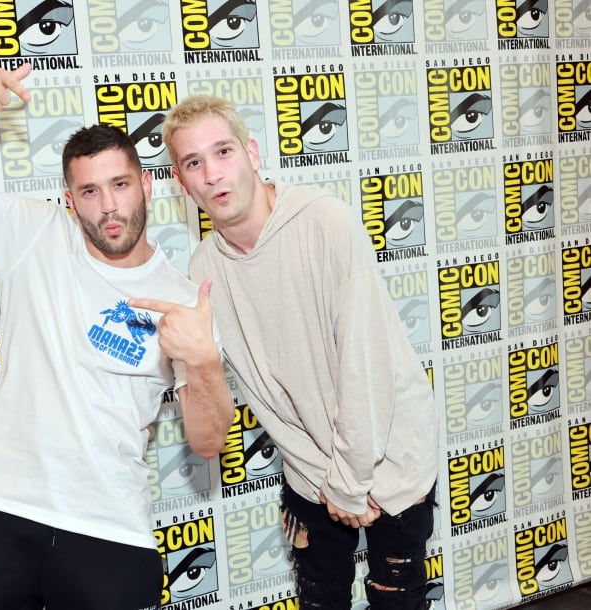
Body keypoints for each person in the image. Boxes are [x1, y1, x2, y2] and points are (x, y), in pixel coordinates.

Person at [0, 66, 234, 610]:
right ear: (70, 199)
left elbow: (208, 441)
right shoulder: (32, 231)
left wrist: (205, 365)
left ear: (145, 185)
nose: (109, 207)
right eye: (90, 191)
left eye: (120, 185)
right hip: (1, 509)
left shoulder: (184, 299)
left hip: (110, 529)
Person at [155, 95, 438, 610]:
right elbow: (269, 400)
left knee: (399, 602)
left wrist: (353, 484)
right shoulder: (201, 275)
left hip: (393, 461)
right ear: (181, 181)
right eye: (193, 162)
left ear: (252, 153)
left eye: (223, 152)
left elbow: (364, 365)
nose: (213, 174)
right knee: (319, 601)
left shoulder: (326, 224)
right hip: (311, 474)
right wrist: (331, 483)